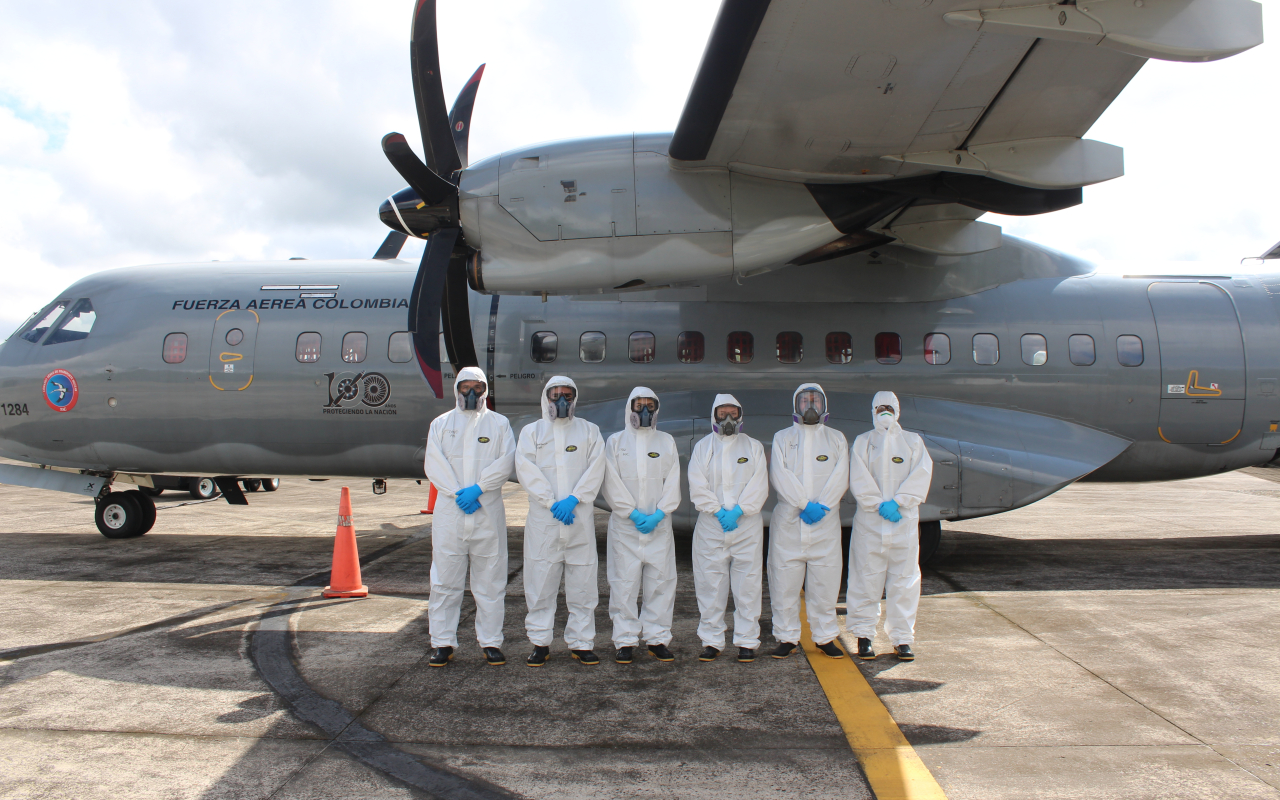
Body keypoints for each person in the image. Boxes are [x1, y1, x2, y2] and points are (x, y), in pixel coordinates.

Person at [422, 367, 515, 667]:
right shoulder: (441, 424)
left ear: (486, 389)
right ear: (457, 389)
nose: (471, 393)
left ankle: (491, 642)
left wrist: (478, 489)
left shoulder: (499, 424)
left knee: (490, 581)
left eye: (477, 387)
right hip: (450, 513)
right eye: (466, 387)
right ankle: (442, 642)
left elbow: (506, 461)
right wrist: (457, 493)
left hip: (486, 512)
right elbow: (433, 464)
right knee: (445, 581)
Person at [513, 376, 607, 667]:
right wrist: (551, 501)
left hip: (578, 520)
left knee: (583, 584)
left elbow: (596, 468)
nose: (562, 401)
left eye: (567, 395)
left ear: (575, 398)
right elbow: (525, 468)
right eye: (556, 395)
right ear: (546, 398)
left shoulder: (589, 431)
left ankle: (582, 643)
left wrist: (574, 498)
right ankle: (540, 643)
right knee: (540, 583)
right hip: (545, 521)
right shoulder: (532, 432)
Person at [847, 391, 933, 662]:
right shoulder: (864, 442)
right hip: (871, 525)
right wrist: (877, 503)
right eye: (879, 407)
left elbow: (922, 473)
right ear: (872, 411)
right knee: (865, 579)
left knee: (904, 582)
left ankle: (902, 639)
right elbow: (858, 477)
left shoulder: (912, 442)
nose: (884, 412)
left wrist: (898, 502)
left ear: (897, 410)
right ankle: (864, 635)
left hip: (902, 524)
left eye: (889, 407)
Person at [768, 383, 850, 660]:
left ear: (824, 404)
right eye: (805, 401)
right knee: (784, 584)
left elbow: (841, 475)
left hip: (824, 525)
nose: (810, 406)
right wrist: (804, 504)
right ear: (796, 405)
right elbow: (780, 475)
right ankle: (786, 637)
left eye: (815, 400)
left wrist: (822, 506)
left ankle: (825, 637)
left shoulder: (836, 438)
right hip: (789, 525)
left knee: (825, 585)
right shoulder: (782, 437)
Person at [687, 394, 770, 663]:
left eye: (732, 413)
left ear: (740, 415)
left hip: (746, 525)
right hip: (712, 525)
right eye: (723, 413)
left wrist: (739, 510)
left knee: (747, 585)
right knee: (710, 584)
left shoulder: (753, 446)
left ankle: (747, 641)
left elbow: (759, 483)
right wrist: (718, 511)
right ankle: (712, 641)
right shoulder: (702, 447)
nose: (728, 419)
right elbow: (697, 484)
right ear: (714, 415)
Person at [602, 387, 681, 664]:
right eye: (639, 406)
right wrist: (632, 514)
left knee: (661, 583)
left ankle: (657, 638)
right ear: (630, 408)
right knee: (624, 584)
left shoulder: (666, 441)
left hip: (658, 526)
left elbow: (673, 480)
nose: (644, 411)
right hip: (626, 528)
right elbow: (611, 481)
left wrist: (659, 514)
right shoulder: (615, 442)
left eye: (649, 405)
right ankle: (624, 641)